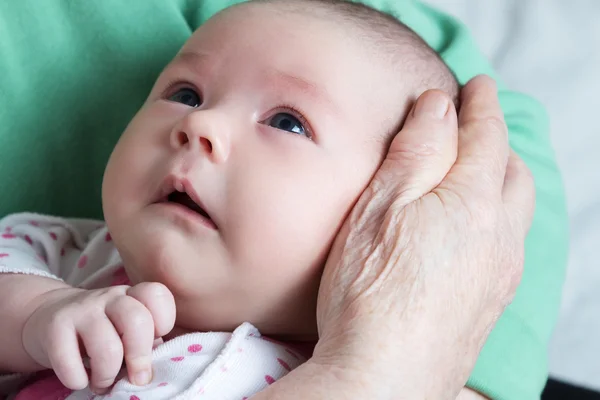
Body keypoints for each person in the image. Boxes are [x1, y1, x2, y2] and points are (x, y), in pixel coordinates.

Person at [0, 0, 567, 399]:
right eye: (186, 94)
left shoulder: (301, 370)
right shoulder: (72, 258)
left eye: (288, 123)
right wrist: (36, 316)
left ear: (389, 212)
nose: (205, 127)